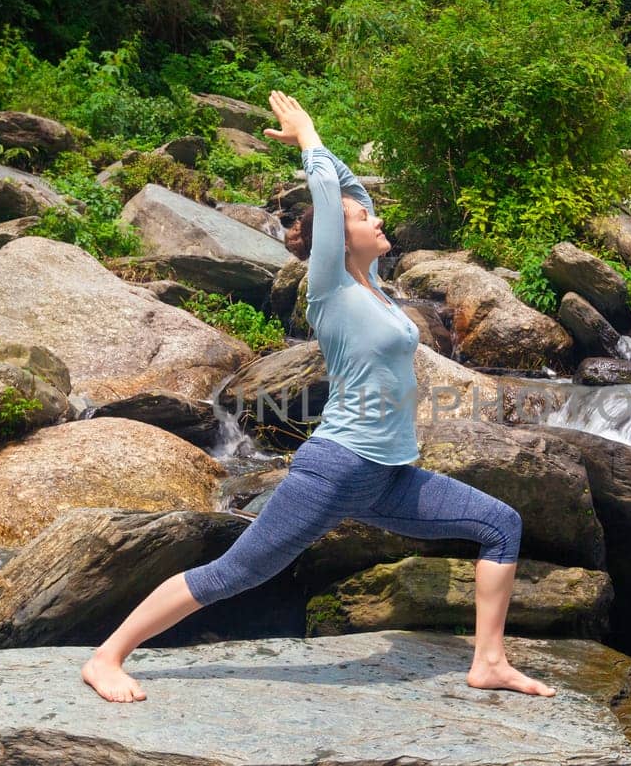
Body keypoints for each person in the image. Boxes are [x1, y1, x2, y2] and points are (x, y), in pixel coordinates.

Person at [81, 89, 555, 703]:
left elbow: (350, 194)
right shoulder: (330, 287)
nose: (377, 219)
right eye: (364, 220)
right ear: (336, 237)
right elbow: (334, 204)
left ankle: (489, 660)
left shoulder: (374, 284)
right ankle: (107, 656)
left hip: (386, 476)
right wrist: (307, 139)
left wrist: (326, 149)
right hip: (334, 470)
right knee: (236, 572)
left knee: (500, 525)